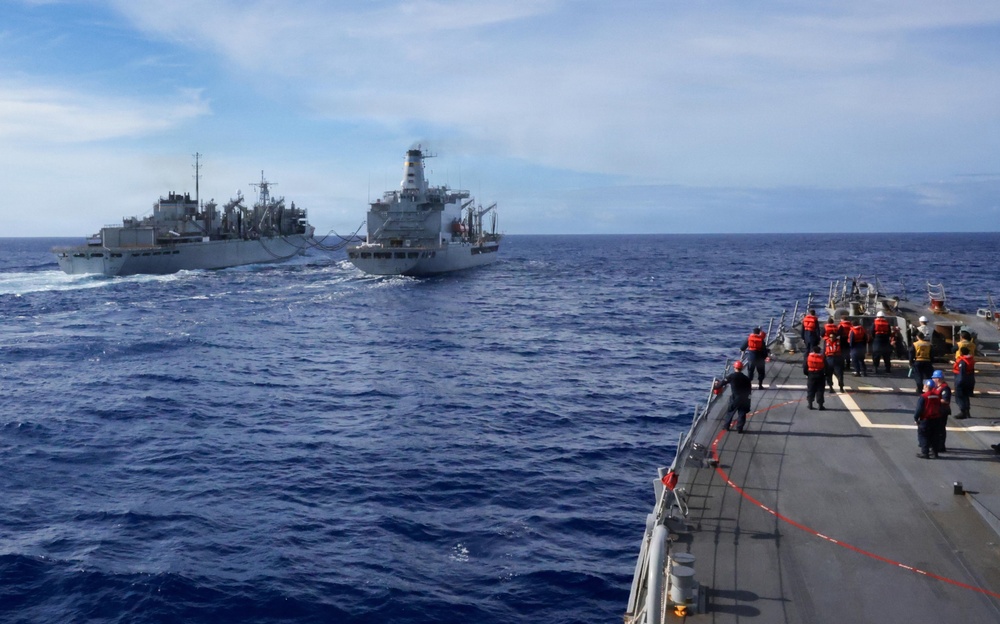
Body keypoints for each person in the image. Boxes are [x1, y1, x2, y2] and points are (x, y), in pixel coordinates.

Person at [716, 361, 753, 433]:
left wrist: (715, 387)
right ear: (742, 368)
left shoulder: (731, 376)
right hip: (744, 399)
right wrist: (748, 401)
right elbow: (749, 391)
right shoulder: (746, 379)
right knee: (742, 414)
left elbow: (722, 383)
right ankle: (739, 428)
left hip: (735, 398)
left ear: (734, 367)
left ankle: (726, 426)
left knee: (730, 412)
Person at [914, 379, 943, 459]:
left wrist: (916, 418)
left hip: (926, 419)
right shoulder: (937, 395)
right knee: (934, 436)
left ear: (926, 386)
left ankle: (925, 452)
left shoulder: (924, 396)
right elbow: (940, 406)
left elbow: (919, 409)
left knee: (924, 436)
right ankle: (935, 452)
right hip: (936, 419)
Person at [931, 370, 951, 454]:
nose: (933, 380)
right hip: (936, 410)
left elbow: (946, 400)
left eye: (934, 378)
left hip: (942, 410)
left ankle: (941, 445)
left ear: (938, 379)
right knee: (936, 428)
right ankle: (936, 444)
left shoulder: (945, 388)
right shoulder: (936, 387)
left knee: (940, 429)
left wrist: (934, 399)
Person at [953, 346, 976, 419]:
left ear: (962, 352)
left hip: (961, 380)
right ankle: (967, 411)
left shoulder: (962, 362)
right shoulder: (970, 360)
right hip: (969, 379)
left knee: (959, 396)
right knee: (966, 396)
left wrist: (959, 383)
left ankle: (963, 411)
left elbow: (961, 373)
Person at [803, 345, 827, 410]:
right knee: (820, 390)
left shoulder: (809, 357)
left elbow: (805, 367)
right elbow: (826, 366)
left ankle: (810, 404)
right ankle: (820, 405)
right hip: (820, 374)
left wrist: (807, 374)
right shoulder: (822, 357)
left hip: (811, 374)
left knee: (810, 389)